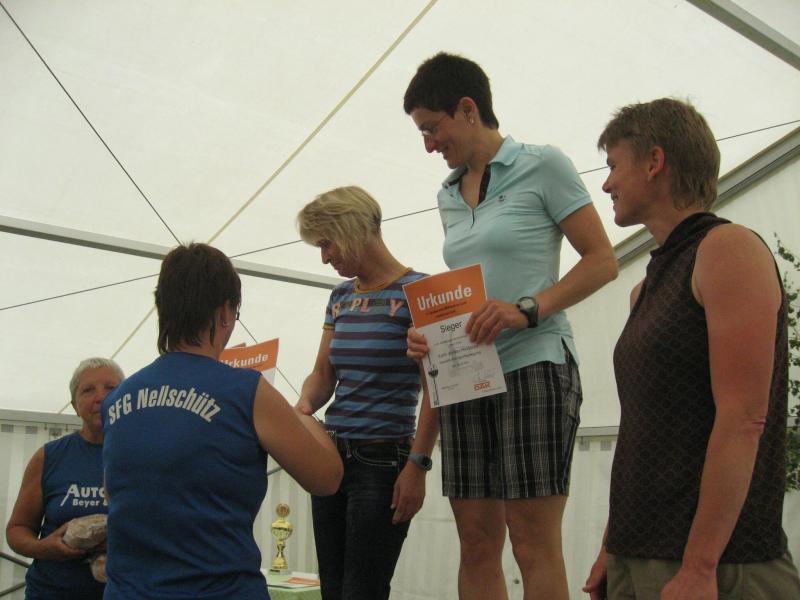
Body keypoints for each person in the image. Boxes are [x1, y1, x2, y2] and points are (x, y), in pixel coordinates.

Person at [402, 52, 618, 600]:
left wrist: (527, 309)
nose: (428, 144)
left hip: (535, 364)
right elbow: (466, 288)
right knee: (476, 541)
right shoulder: (447, 195)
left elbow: (602, 260)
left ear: (468, 109)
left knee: (531, 540)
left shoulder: (543, 164)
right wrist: (430, 334)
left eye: (432, 128)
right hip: (467, 377)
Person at [583, 98, 800, 600]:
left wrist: (700, 567)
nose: (607, 184)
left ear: (654, 162)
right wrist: (613, 545)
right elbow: (643, 429)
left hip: (716, 564)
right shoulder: (647, 286)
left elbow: (744, 419)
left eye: (613, 165)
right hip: (640, 552)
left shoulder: (728, 248)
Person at [100, 243, 343, 600]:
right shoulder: (246, 391)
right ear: (226, 311)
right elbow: (327, 479)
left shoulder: (116, 400)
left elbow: (114, 492)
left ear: (161, 307)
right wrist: (304, 414)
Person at [295, 186, 438, 600]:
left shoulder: (420, 292)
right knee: (332, 588)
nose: (325, 257)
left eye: (327, 243)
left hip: (382, 459)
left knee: (363, 590)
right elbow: (323, 374)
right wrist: (302, 407)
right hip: (330, 455)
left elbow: (437, 388)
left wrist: (417, 465)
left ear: (353, 228)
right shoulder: (340, 297)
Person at [6, 357, 124, 600]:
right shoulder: (49, 457)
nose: (101, 397)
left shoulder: (145, 454)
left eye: (111, 388)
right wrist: (44, 548)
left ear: (125, 398)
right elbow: (17, 529)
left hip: (124, 592)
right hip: (52, 592)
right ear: (75, 405)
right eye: (88, 390)